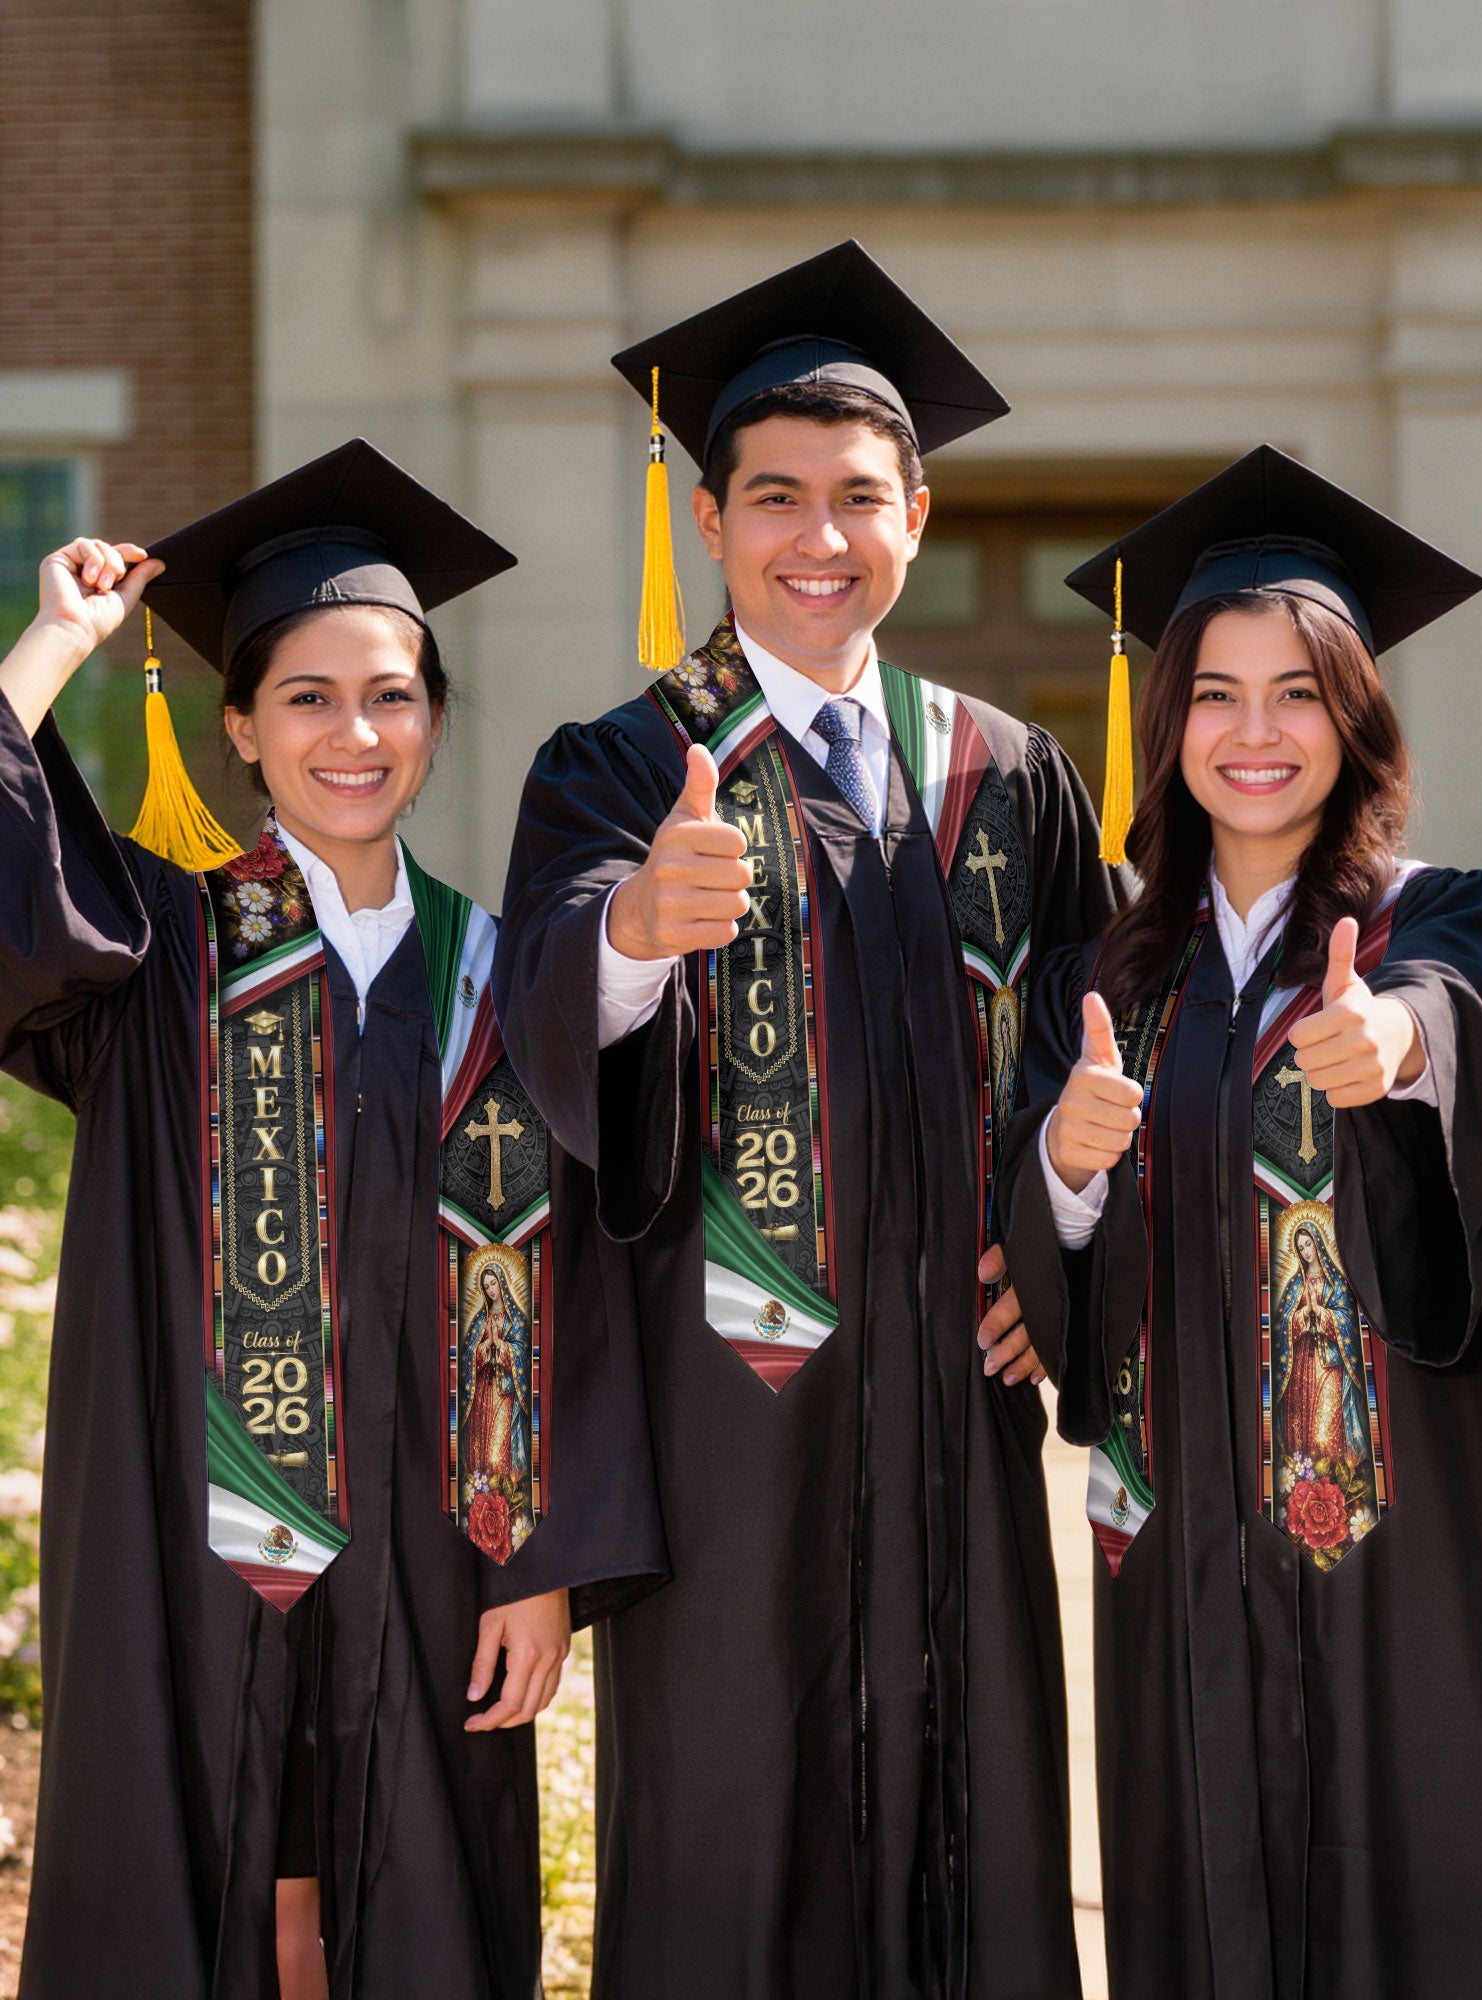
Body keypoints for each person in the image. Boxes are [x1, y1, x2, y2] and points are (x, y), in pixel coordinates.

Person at [495, 241, 1122, 1998]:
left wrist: (1058, 1251)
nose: (819, 538)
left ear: (918, 514)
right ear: (711, 522)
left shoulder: (1012, 770)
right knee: (735, 1839)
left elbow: (1112, 1047)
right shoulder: (621, 765)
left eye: (860, 498)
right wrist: (631, 932)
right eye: (776, 499)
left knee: (976, 1822)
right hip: (733, 1421)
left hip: (959, 1411)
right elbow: (544, 1016)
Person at [0, 441, 663, 2000]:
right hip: (190, 1536)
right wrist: (52, 647)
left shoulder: (511, 975)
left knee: (421, 1901)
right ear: (239, 726)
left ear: (435, 718)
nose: (352, 733)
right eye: (305, 696)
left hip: (445, 1550)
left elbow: (587, 1288)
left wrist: (545, 1560)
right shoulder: (159, 954)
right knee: (200, 1876)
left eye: (391, 694)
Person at [998, 447, 1482, 1998]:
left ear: (1357, 717)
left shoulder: (1439, 916)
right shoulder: (1101, 978)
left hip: (1405, 1538)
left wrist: (1394, 1050)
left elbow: (1464, 1029)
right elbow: (1049, 1260)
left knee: (1427, 1894)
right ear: (1166, 721)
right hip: (1178, 1529)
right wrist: (1063, 1157)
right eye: (1216, 694)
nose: (1257, 734)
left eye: (1300, 692)